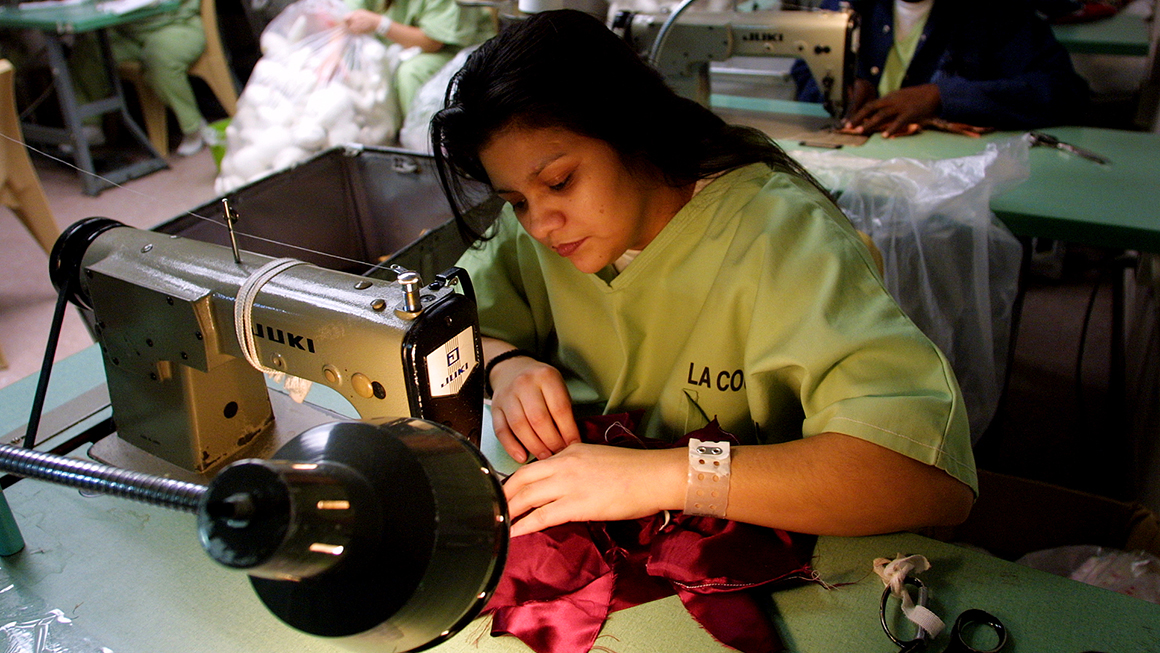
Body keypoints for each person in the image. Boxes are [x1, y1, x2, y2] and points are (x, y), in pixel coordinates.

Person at [432, 9, 976, 540]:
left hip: (758, 542)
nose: (541, 224)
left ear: (631, 130)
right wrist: (507, 365)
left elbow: (923, 478)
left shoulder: (780, 238)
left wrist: (670, 476)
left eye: (561, 180)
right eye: (517, 200)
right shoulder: (541, 225)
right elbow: (446, 323)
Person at [794, 0, 1090, 137]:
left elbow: (1064, 91)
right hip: (860, 175)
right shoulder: (851, 3)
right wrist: (838, 87)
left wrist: (943, 97)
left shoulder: (997, 11)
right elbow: (804, 68)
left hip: (951, 191)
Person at [71, 0, 216, 156]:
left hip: (175, 24)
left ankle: (193, 126)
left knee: (160, 57)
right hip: (125, 29)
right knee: (89, 49)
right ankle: (90, 124)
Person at [343, 0, 495, 119]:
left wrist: (381, 24)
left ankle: (420, 141)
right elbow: (346, 18)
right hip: (401, 49)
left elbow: (432, 42)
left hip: (455, 51)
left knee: (411, 72)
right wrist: (333, 58)